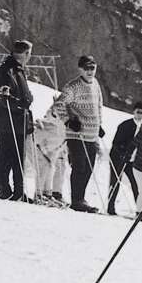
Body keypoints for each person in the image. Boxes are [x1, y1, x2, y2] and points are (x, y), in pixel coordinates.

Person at [58, 55, 105, 211]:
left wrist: (99, 125)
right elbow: (59, 105)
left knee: (89, 168)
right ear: (80, 69)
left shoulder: (95, 84)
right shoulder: (73, 86)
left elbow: (98, 105)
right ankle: (76, 200)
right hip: (77, 134)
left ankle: (81, 198)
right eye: (86, 68)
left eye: (92, 68)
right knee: (79, 167)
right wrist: (68, 121)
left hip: (92, 135)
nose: (90, 71)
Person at [0, 38, 33, 200]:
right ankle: (1, 186)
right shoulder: (7, 70)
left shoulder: (17, 70)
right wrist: (21, 104)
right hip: (9, 120)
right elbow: (3, 98)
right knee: (7, 155)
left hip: (18, 120)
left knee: (17, 157)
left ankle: (18, 190)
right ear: (26, 54)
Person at [106, 104, 142, 215]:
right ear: (134, 112)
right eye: (138, 112)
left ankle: (141, 208)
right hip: (117, 158)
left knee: (136, 183)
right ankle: (110, 207)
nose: (139, 115)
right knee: (115, 182)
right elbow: (116, 142)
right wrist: (123, 152)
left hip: (131, 161)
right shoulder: (125, 125)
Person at [32, 99, 70, 203]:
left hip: (53, 145)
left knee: (50, 166)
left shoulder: (66, 117)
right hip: (43, 143)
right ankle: (39, 194)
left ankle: (47, 193)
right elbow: (49, 118)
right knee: (43, 166)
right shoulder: (55, 115)